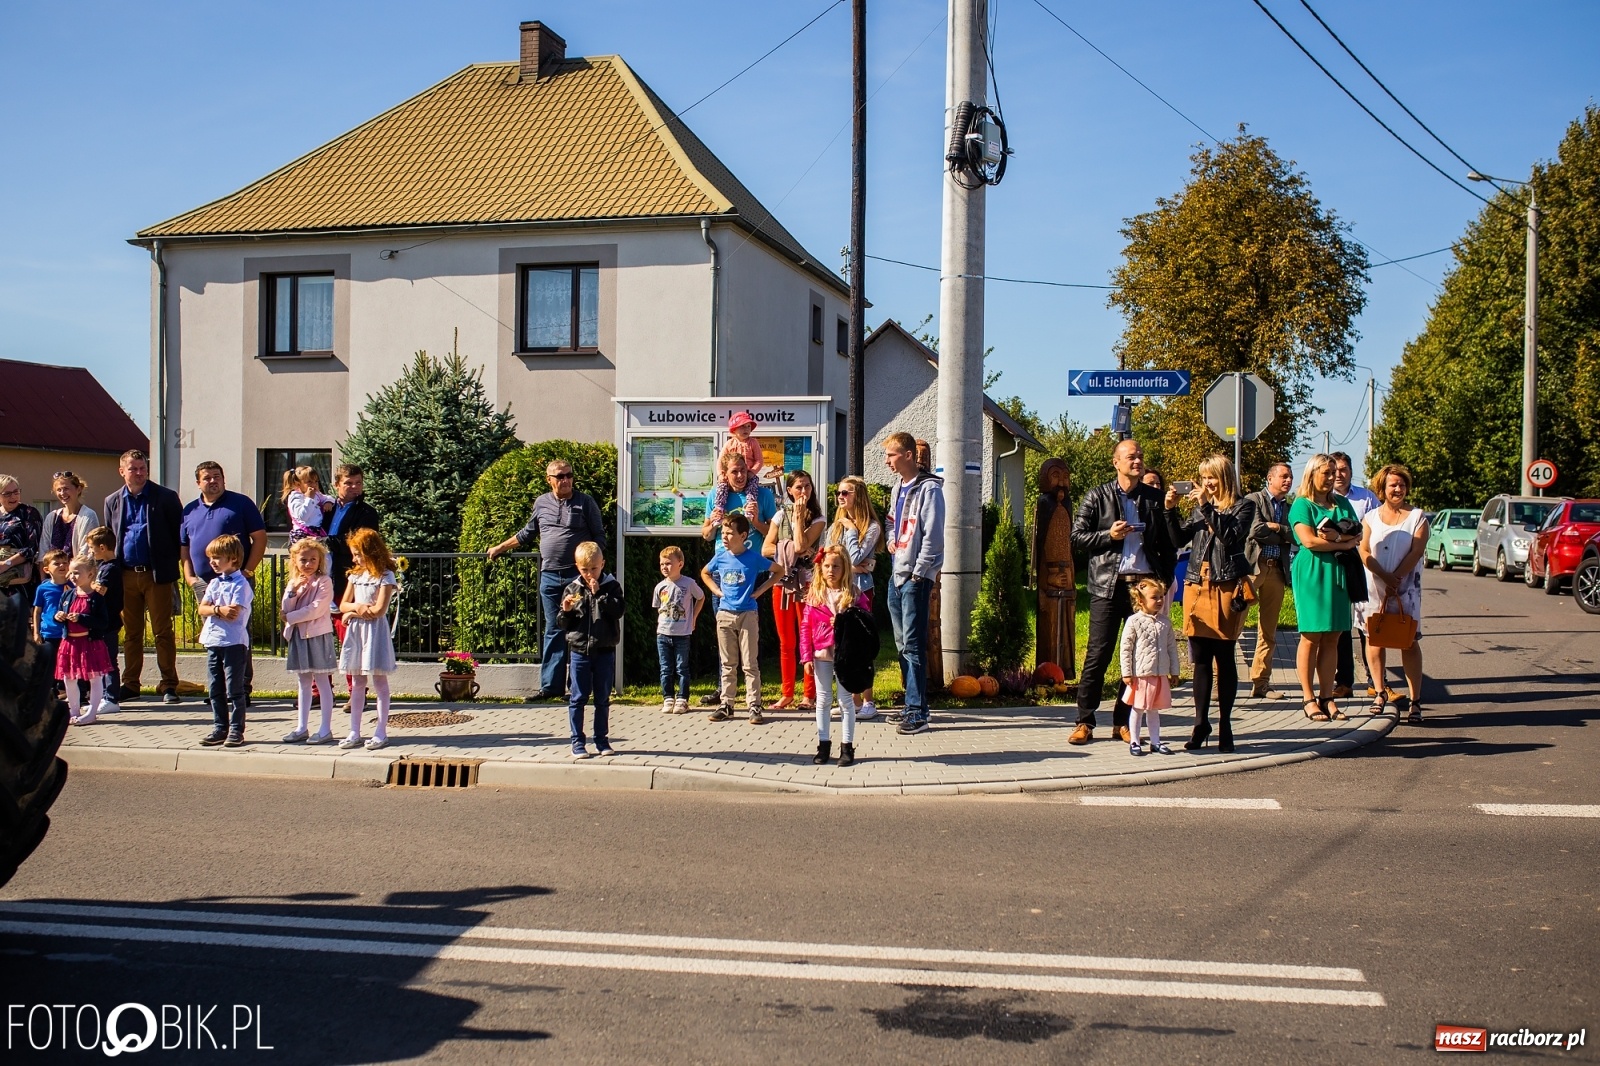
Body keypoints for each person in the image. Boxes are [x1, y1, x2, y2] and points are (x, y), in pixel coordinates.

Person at [1069, 439, 1181, 746]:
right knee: (1099, 653)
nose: (1138, 461)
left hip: (1143, 588)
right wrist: (1109, 535)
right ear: (1116, 462)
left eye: (1140, 456)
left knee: (1138, 658)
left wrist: (1163, 575)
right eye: (1131, 457)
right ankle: (1084, 720)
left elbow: (1170, 543)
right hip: (1108, 584)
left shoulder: (1155, 498)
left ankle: (1123, 721)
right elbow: (1076, 536)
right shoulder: (1097, 496)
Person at [486, 459, 606, 701]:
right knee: (554, 629)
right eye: (560, 476)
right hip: (550, 575)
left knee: (578, 629)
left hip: (576, 577)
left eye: (569, 475)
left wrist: (593, 572)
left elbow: (599, 537)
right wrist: (500, 547)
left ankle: (577, 688)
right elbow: (528, 532)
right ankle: (550, 687)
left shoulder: (585, 502)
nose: (565, 480)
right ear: (549, 479)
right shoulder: (542, 503)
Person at [1177, 455, 1257, 753]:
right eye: (1203, 477)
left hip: (1225, 586)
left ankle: (1225, 723)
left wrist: (1207, 508)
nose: (1207, 483)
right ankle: (1200, 724)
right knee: (1199, 659)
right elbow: (1176, 538)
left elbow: (1230, 537)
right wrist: (1171, 511)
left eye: (1212, 477)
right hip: (1197, 584)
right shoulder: (1202, 509)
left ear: (1225, 477)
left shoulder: (1243, 506)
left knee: (1224, 655)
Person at [101, 449, 184, 704]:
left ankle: (169, 685)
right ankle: (131, 684)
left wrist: (173, 565)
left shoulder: (166, 498)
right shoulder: (112, 501)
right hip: (125, 575)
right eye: (134, 469)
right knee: (132, 633)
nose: (139, 473)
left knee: (162, 632)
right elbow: (109, 538)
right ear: (122, 471)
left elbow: (178, 535)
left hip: (156, 574)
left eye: (142, 468)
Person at [180, 462, 267, 696]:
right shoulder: (190, 510)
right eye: (207, 478)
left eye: (217, 476)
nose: (213, 481)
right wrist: (190, 578)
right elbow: (185, 548)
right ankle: (217, 690)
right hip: (204, 584)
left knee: (237, 636)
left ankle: (239, 689)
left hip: (235, 582)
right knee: (213, 638)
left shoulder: (240, 504)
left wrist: (247, 571)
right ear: (198, 482)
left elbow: (259, 538)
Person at [1289, 453, 1360, 722]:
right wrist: (1343, 544)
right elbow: (1309, 541)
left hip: (1339, 574)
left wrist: (1339, 537)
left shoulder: (1341, 503)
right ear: (1312, 474)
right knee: (1312, 635)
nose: (1332, 478)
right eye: (1326, 473)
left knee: (1334, 636)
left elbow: (1359, 532)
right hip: (1312, 573)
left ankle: (1327, 696)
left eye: (1335, 472)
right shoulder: (1302, 505)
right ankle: (1308, 698)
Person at [883, 432, 945, 736]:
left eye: (892, 455)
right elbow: (891, 521)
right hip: (897, 574)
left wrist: (920, 572)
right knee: (901, 644)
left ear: (908, 455)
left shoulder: (930, 489)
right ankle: (911, 704)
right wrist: (889, 540)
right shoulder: (898, 486)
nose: (887, 461)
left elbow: (933, 535)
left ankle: (919, 712)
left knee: (914, 644)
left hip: (914, 577)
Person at [1359, 464, 1429, 724]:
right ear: (1382, 489)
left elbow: (1416, 550)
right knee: (1375, 639)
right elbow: (1363, 550)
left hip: (1406, 589)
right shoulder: (1371, 518)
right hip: (1376, 587)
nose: (1397, 489)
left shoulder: (1417, 517)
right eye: (1392, 485)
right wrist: (1383, 576)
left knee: (1408, 641)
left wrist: (1396, 577)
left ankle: (1415, 702)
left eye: (1401, 484)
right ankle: (1379, 692)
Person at [702, 511, 781, 724]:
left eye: (729, 533)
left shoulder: (754, 558)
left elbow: (778, 571)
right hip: (725, 613)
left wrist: (760, 591)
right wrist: (717, 591)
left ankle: (754, 705)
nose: (725, 537)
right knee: (728, 662)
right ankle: (727, 704)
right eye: (723, 533)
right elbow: (705, 573)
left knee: (749, 663)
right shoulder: (720, 556)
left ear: (743, 535)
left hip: (747, 613)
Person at [766, 470, 825, 711]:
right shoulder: (780, 515)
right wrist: (788, 550)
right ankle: (787, 692)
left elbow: (803, 544)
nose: (804, 491)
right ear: (789, 490)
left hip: (808, 584)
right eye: (799, 487)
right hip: (782, 583)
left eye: (807, 487)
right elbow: (765, 548)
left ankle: (809, 695)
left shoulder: (818, 519)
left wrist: (799, 519)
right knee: (786, 641)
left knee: (808, 638)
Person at [559, 541, 624, 759]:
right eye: (585, 569)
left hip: (604, 649)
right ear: (577, 566)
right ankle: (577, 742)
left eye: (594, 569)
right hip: (579, 651)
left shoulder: (611, 585)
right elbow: (563, 624)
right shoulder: (572, 588)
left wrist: (601, 596)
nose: (589, 574)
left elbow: (618, 610)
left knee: (602, 698)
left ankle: (601, 740)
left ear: (602, 564)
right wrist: (566, 611)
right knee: (578, 697)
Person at [826, 476, 884, 718]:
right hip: (837, 592)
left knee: (861, 646)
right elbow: (827, 554)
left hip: (859, 590)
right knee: (841, 645)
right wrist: (853, 565)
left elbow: (856, 557)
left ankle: (868, 701)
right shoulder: (836, 525)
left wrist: (851, 531)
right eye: (839, 493)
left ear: (858, 496)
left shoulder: (871, 526)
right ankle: (852, 701)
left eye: (845, 493)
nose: (840, 497)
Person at [337, 527, 399, 750]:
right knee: (357, 682)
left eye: (358, 554)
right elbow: (343, 604)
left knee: (379, 682)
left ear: (371, 551)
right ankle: (354, 731)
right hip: (357, 633)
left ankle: (381, 731)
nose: (355, 558)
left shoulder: (385, 576)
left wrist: (353, 612)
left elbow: (379, 610)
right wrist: (356, 608)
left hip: (374, 632)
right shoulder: (355, 576)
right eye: (353, 554)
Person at [801, 546, 859, 767]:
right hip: (821, 652)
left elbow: (866, 623)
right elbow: (805, 627)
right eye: (826, 566)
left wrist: (847, 623)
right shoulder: (815, 595)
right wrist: (806, 657)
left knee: (846, 700)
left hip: (845, 653)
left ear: (844, 567)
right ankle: (823, 744)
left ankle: (847, 746)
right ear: (820, 568)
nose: (831, 570)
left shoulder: (853, 593)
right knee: (823, 699)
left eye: (836, 566)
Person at [195, 534, 253, 747]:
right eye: (211, 557)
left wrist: (214, 610)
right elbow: (203, 608)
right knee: (214, 688)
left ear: (233, 559)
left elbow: (234, 613)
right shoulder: (213, 583)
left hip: (233, 642)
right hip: (213, 641)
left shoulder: (241, 584)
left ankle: (237, 730)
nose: (213, 562)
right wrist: (218, 609)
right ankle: (220, 727)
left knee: (234, 689)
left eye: (218, 557)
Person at [1331, 452, 1380, 700]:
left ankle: (1374, 679)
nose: (1339, 474)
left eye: (1343, 469)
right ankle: (1344, 681)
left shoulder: (1366, 498)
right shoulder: (1324, 498)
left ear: (1351, 471)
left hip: (1364, 570)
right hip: (1338, 568)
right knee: (1340, 627)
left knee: (1366, 627)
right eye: (1334, 470)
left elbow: (1378, 529)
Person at [1245, 462, 1295, 700]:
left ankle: (1261, 683)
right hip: (1253, 570)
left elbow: (1295, 535)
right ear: (1270, 478)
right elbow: (1255, 530)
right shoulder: (1253, 500)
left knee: (1269, 630)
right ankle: (1219, 682)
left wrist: (1278, 528)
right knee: (1234, 624)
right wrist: (1281, 533)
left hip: (1277, 571)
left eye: (1290, 477)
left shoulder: (1290, 506)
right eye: (1284, 476)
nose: (1288, 481)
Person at [279, 538, 337, 744]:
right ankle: (301, 727)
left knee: (321, 680)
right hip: (299, 635)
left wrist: (291, 617)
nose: (308, 564)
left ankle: (325, 728)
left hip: (317, 634)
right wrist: (293, 591)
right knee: (303, 681)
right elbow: (285, 608)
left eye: (313, 559)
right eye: (304, 560)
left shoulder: (324, 581)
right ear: (295, 561)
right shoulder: (294, 582)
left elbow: (318, 608)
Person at [1120, 577, 1181, 757]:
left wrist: (1174, 671)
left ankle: (1155, 741)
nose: (1160, 601)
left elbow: (1172, 648)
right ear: (1141, 600)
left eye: (1161, 597)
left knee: (1153, 710)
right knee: (1138, 709)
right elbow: (1126, 648)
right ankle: (1135, 741)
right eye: (1155, 597)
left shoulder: (1165, 622)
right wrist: (1127, 673)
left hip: (1159, 674)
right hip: (1141, 675)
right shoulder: (1134, 621)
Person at [55, 552, 113, 726]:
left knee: (94, 678)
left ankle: (92, 712)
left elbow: (103, 622)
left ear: (90, 574)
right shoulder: (67, 595)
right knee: (69, 678)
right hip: (69, 643)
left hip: (89, 643)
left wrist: (81, 618)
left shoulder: (96, 598)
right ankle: (74, 711)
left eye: (77, 573)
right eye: (71, 573)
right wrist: (58, 616)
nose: (72, 576)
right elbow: (59, 613)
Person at [652, 545, 703, 714]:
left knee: (682, 667)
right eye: (661, 564)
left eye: (668, 563)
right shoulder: (660, 587)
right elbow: (658, 608)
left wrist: (693, 617)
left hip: (682, 633)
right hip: (663, 633)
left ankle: (682, 699)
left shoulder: (688, 583)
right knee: (665, 668)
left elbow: (701, 597)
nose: (665, 567)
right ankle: (668, 697)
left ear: (680, 564)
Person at [325, 464, 381, 610]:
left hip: (347, 577)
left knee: (345, 627)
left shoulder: (367, 512)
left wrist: (325, 542)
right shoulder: (326, 508)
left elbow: (359, 543)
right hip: (321, 578)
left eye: (358, 483)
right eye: (348, 483)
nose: (354, 487)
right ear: (337, 484)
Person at [85, 526, 122, 705]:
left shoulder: (111, 568)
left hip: (109, 621)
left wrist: (85, 587)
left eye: (92, 548)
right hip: (102, 621)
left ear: (102, 548)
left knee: (109, 660)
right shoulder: (102, 566)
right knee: (101, 659)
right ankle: (103, 695)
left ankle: (112, 698)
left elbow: (100, 590)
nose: (91, 552)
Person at [709, 410, 767, 524]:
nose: (746, 429)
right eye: (742, 427)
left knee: (752, 489)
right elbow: (720, 461)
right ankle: (719, 510)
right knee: (721, 488)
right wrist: (721, 474)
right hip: (731, 476)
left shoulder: (753, 442)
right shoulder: (729, 444)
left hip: (749, 474)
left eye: (748, 426)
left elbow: (759, 460)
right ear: (734, 430)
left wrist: (753, 472)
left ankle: (750, 507)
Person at [31, 550, 72, 694]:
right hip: (49, 632)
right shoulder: (43, 588)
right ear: (47, 569)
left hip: (68, 633)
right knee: (50, 663)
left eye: (65, 562)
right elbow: (37, 610)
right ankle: (51, 690)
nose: (62, 565)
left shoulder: (74, 586)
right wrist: (36, 632)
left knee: (67, 662)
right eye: (57, 563)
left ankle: (66, 689)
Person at [0, 474, 44, 606]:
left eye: (15, 492)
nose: (13, 497)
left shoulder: (29, 513)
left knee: (17, 622)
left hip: (19, 578)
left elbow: (32, 547)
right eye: (7, 493)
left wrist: (6, 564)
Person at [282, 465, 336, 567]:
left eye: (315, 481)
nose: (314, 485)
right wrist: (309, 499)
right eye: (309, 482)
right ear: (298, 483)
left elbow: (329, 498)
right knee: (305, 562)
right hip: (303, 534)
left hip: (317, 533)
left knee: (324, 561)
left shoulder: (317, 494)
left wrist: (328, 502)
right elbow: (302, 516)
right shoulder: (295, 497)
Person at [38, 471, 100, 559]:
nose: (62, 493)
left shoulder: (88, 516)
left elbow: (86, 554)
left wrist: (72, 572)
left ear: (78, 489)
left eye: (66, 488)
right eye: (59, 490)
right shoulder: (51, 517)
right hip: (51, 572)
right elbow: (43, 552)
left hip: (78, 571)